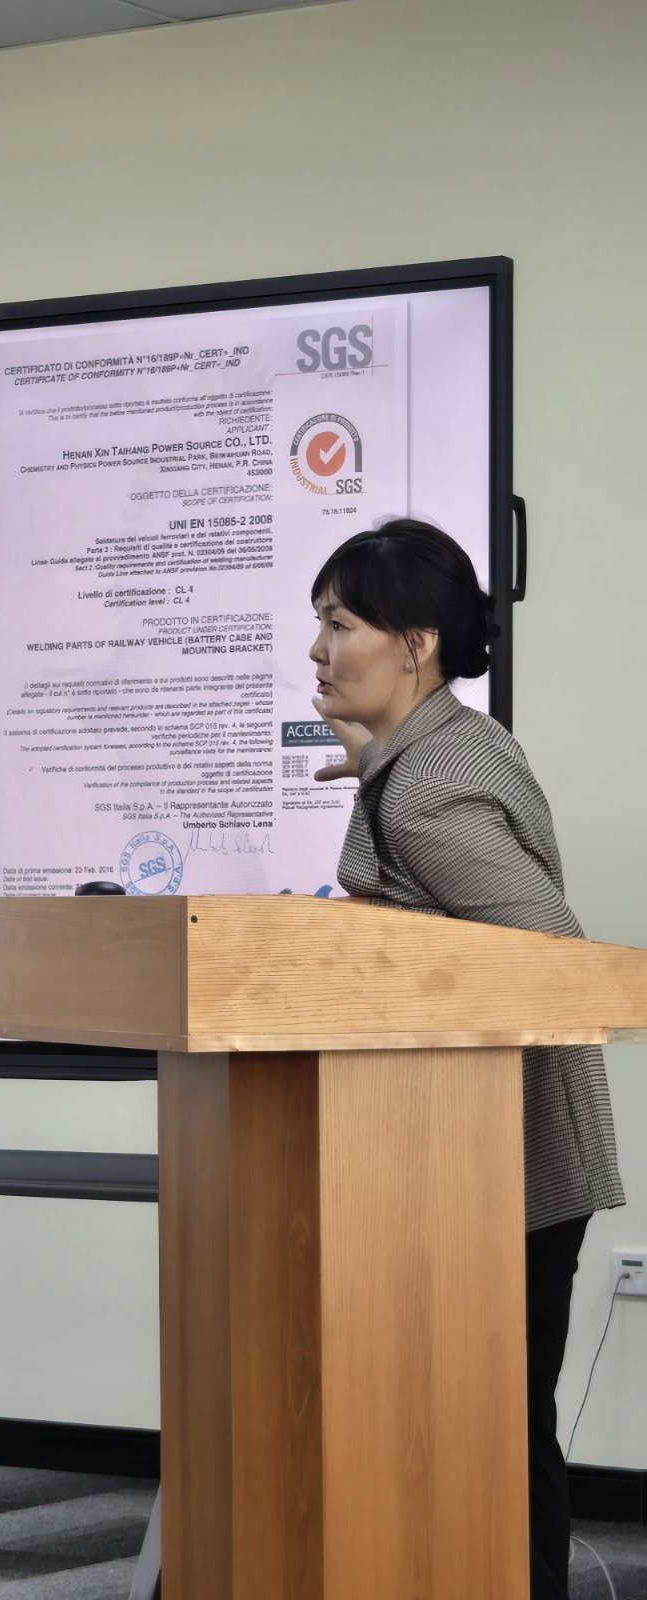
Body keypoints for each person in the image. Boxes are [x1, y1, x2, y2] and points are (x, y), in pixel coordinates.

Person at [308, 518, 623, 1600]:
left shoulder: (428, 789)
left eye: (340, 623)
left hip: (499, 1161)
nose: (317, 648)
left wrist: (385, 811)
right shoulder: (445, 748)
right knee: (494, 1420)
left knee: (495, 1427)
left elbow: (553, 956)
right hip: (499, 1154)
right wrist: (373, 771)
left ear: (417, 642)